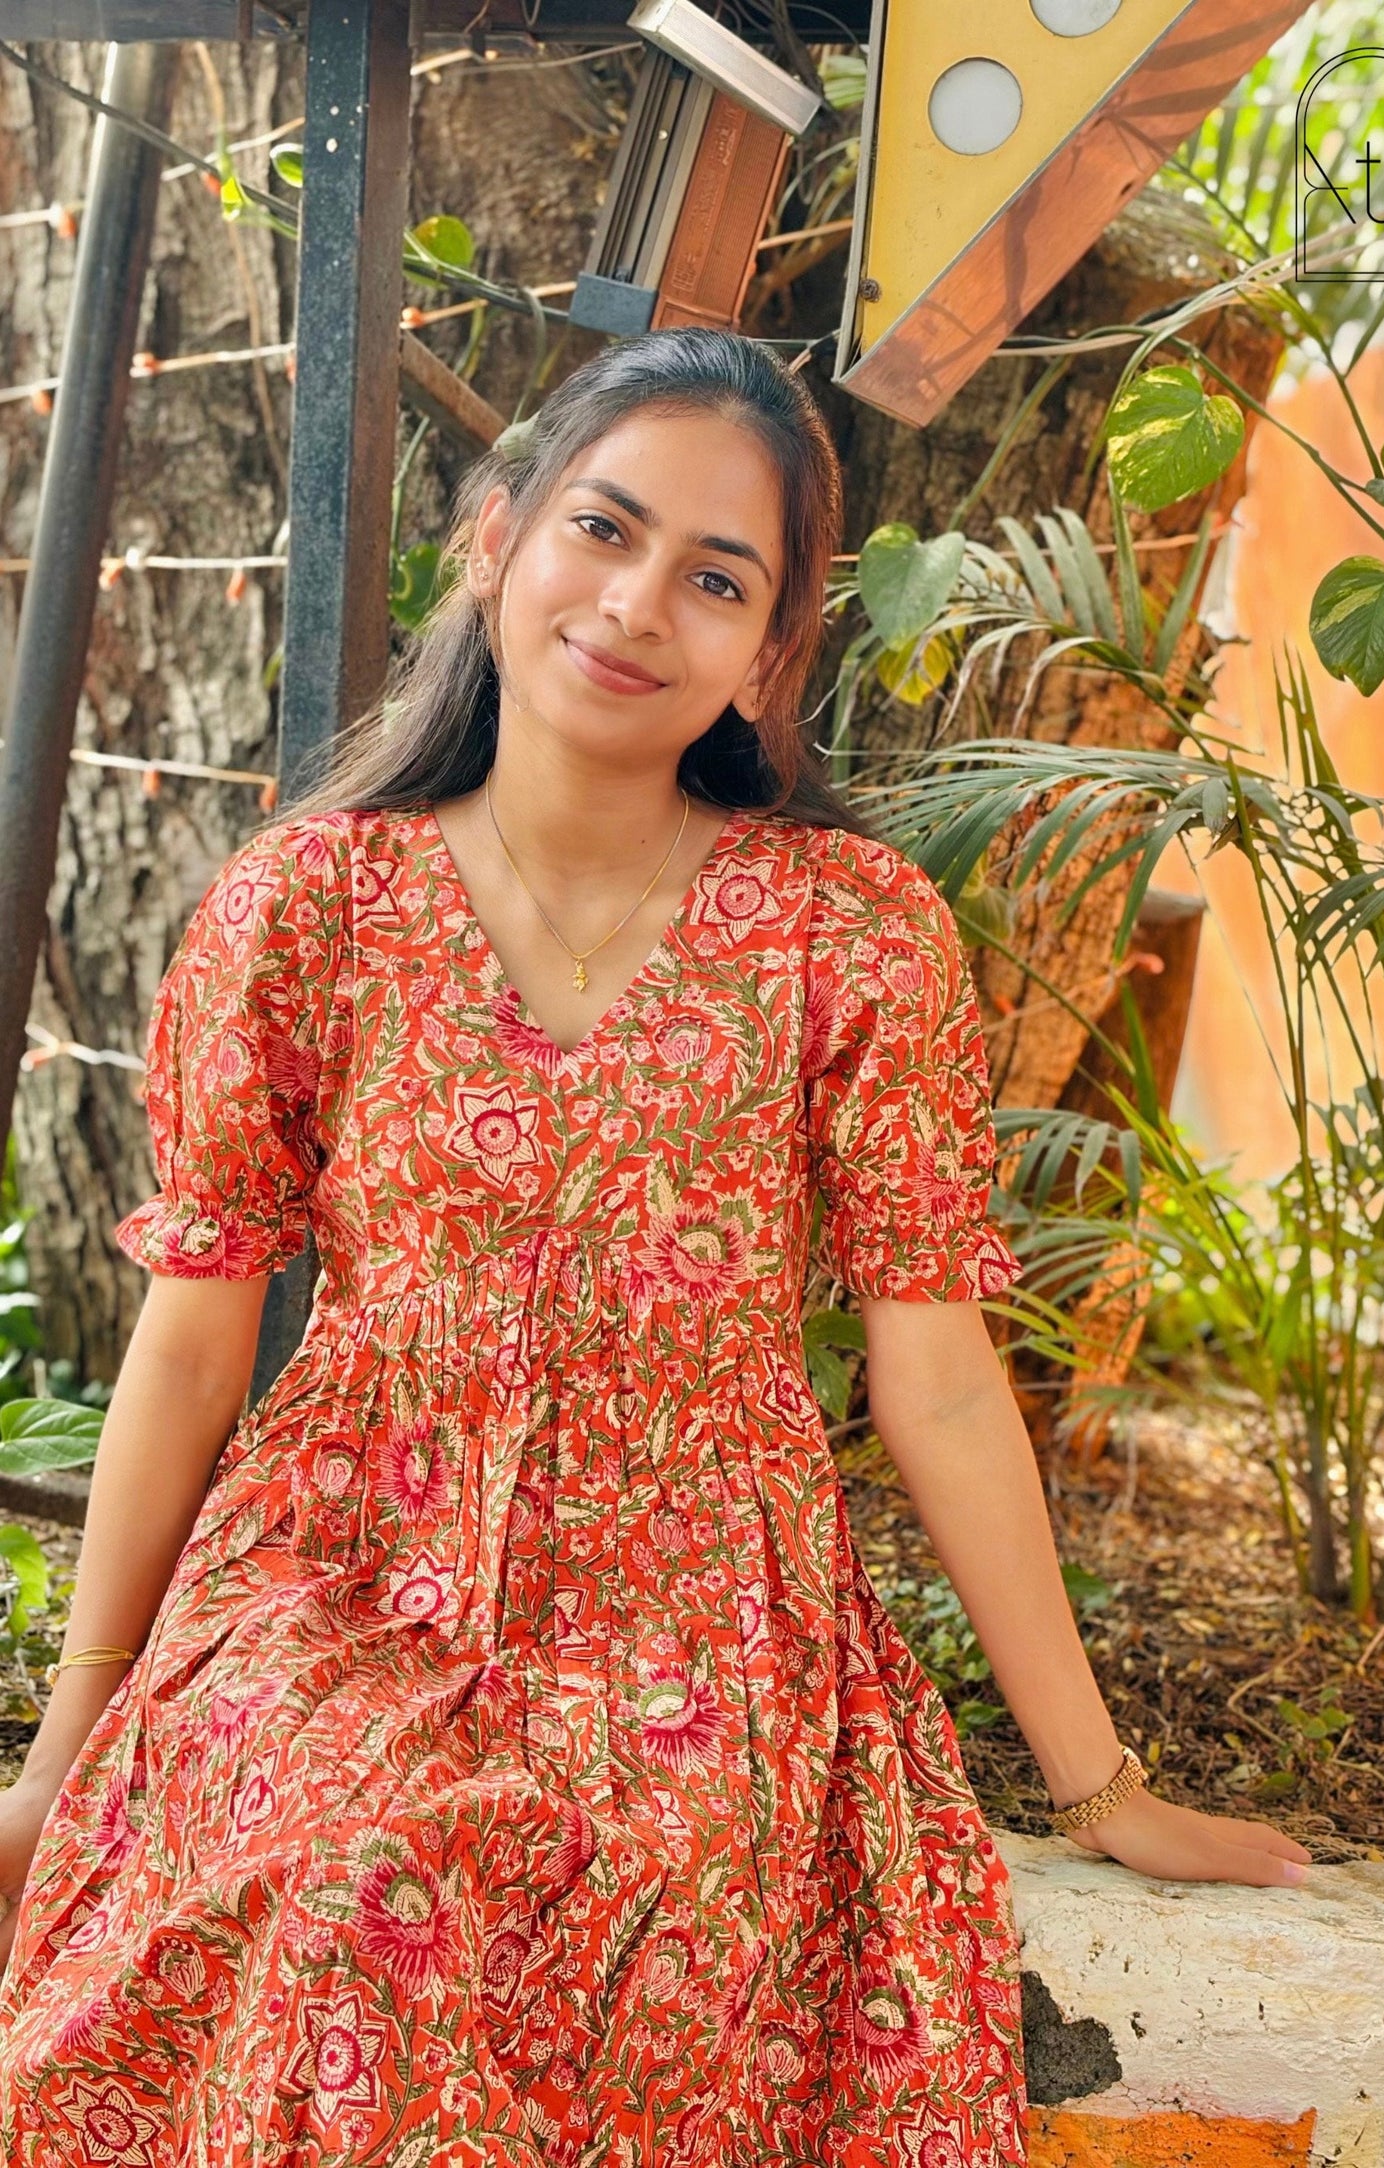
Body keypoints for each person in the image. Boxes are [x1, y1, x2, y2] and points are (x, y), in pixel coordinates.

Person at [0, 326, 1309, 2167]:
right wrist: (66, 1755)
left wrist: (1100, 1788)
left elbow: (933, 1381)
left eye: (715, 577)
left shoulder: (844, 934)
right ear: (494, 537)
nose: (635, 605)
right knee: (341, 1890)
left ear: (770, 651)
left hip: (699, 1607)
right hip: (345, 1579)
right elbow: (198, 1339)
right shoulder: (309, 907)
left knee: (612, 1919)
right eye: (601, 531)